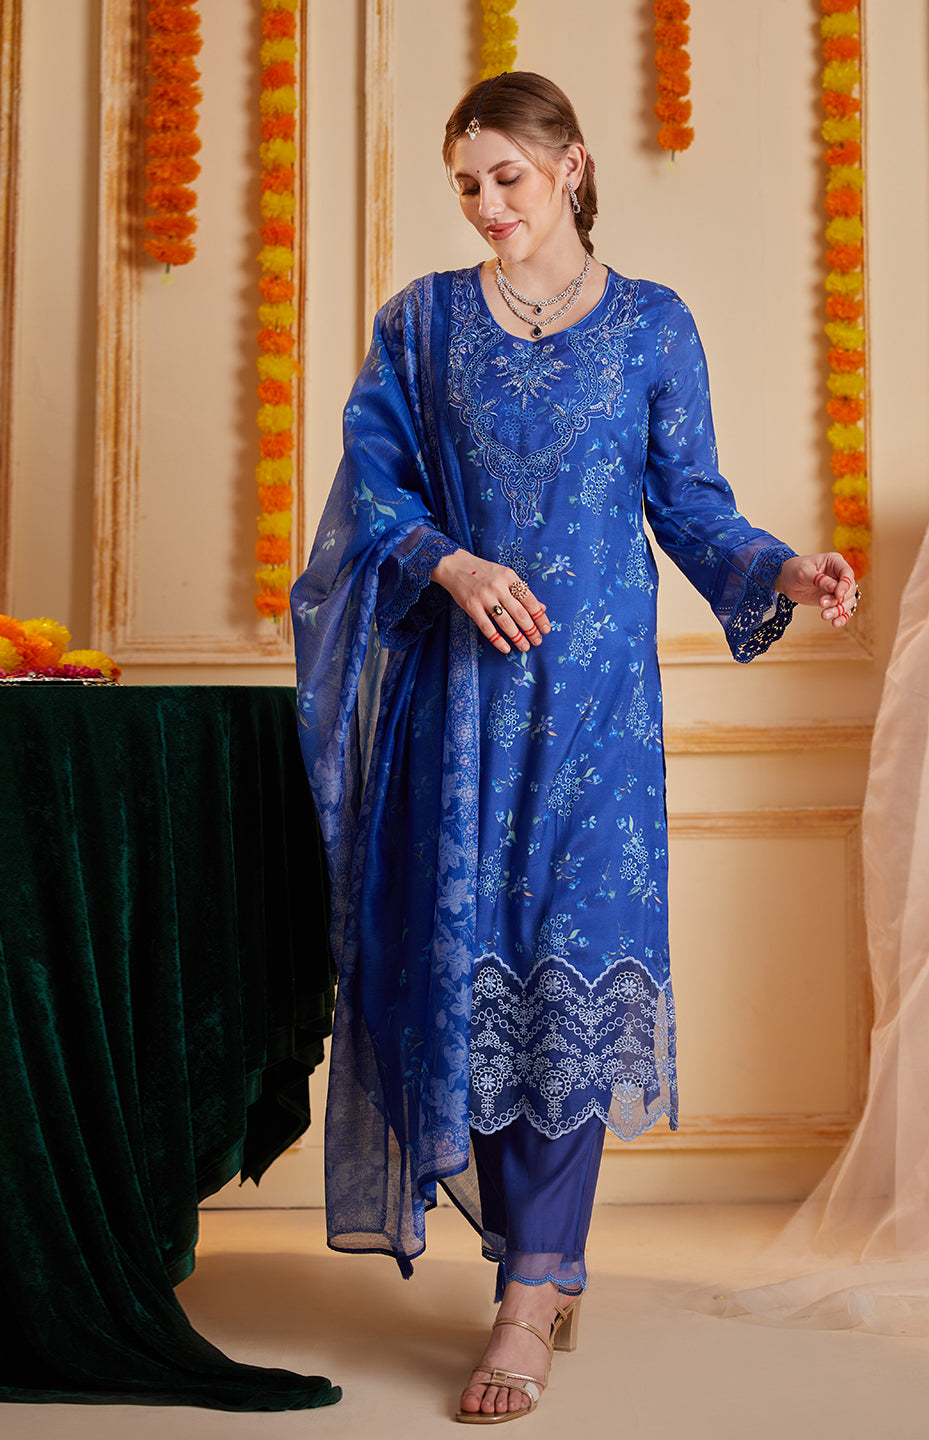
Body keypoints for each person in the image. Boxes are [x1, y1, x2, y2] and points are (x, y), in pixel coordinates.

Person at [292, 70, 859, 1425]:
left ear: (572, 166)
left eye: (508, 176)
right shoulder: (424, 324)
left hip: (598, 715)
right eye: (467, 184)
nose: (488, 205)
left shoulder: (653, 325)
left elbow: (693, 506)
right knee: (469, 970)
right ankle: (532, 1258)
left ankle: (533, 1292)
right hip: (462, 709)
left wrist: (784, 571)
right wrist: (451, 564)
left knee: (570, 975)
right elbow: (373, 497)